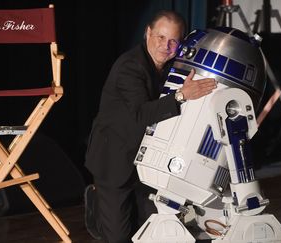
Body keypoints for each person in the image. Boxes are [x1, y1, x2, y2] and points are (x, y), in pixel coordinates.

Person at [84, 10, 217, 243]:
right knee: (118, 238)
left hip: (146, 162)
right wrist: (180, 96)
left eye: (174, 41)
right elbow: (140, 114)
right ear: (147, 33)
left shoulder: (170, 68)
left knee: (154, 234)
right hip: (114, 160)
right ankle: (97, 204)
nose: (166, 46)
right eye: (161, 37)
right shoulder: (130, 67)